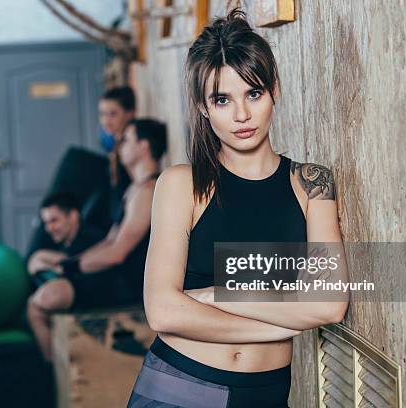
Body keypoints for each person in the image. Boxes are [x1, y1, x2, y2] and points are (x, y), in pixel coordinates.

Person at [128, 10, 349, 408]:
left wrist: (215, 294)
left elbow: (329, 303)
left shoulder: (313, 183)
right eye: (222, 99)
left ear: (274, 89)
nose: (241, 115)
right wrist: (284, 321)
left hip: (265, 394)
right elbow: (162, 311)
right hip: (180, 387)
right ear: (202, 106)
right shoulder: (182, 184)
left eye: (253, 93)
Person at [27, 118, 167, 362]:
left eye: (127, 140)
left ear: (144, 147)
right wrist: (73, 263)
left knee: (41, 303)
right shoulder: (134, 190)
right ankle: (58, 372)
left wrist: (71, 267)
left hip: (127, 284)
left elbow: (118, 253)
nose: (120, 145)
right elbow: (109, 242)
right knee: (42, 280)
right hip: (114, 275)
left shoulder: (148, 191)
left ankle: (53, 378)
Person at [26, 192, 103, 288]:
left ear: (73, 216)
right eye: (46, 223)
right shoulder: (61, 243)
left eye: (54, 220)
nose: (49, 228)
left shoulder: (95, 241)